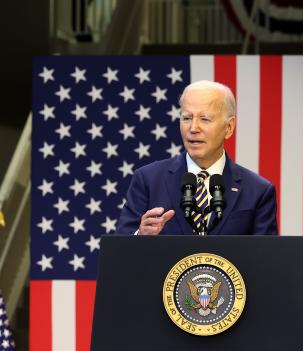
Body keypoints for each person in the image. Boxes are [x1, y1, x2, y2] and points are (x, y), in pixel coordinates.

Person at [118, 81, 278, 236]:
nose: (193, 128)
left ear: (229, 127)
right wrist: (140, 237)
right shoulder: (148, 180)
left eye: (205, 119)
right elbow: (119, 251)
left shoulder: (258, 191)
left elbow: (266, 258)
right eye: (187, 118)